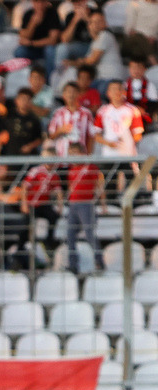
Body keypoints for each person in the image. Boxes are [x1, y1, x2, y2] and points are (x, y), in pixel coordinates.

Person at [95, 80, 145, 193]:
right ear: (108, 93)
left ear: (124, 92)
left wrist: (127, 141)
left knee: (131, 182)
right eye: (113, 89)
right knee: (110, 183)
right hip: (109, 154)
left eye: (119, 89)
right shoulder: (103, 111)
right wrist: (108, 143)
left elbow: (138, 133)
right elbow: (96, 135)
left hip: (128, 155)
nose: (117, 92)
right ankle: (111, 207)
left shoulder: (132, 110)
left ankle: (131, 206)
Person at [63, 142, 104, 273]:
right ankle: (73, 264)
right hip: (73, 204)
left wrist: (103, 203)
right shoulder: (71, 169)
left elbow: (99, 185)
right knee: (70, 235)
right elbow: (70, 186)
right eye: (70, 154)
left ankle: (99, 262)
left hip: (86, 204)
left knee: (89, 234)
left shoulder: (90, 167)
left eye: (74, 154)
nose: (71, 157)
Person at [48, 81, 94, 156]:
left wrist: (88, 155)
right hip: (62, 157)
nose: (71, 94)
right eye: (68, 92)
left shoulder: (86, 113)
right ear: (63, 95)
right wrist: (60, 130)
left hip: (80, 157)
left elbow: (91, 136)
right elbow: (51, 136)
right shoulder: (58, 113)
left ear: (79, 94)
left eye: (74, 92)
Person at [15, 0, 60, 75]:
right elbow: (22, 38)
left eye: (42, 2)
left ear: (46, 2)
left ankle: (49, 79)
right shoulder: (28, 14)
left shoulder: (53, 14)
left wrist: (32, 43)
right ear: (33, 3)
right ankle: (23, 77)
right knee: (19, 51)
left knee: (50, 50)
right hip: (32, 49)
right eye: (37, 2)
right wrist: (33, 24)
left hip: (45, 48)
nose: (40, 5)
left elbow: (53, 40)